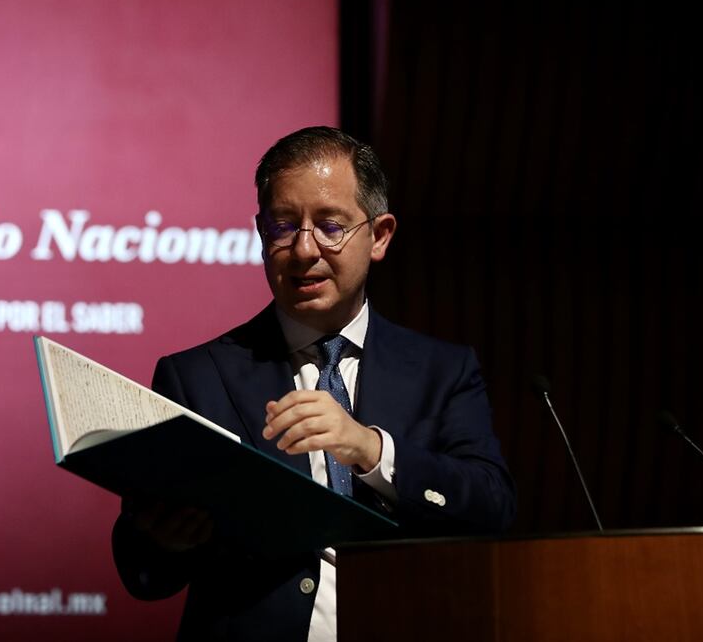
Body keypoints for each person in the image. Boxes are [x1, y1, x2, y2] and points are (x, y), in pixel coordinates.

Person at [112, 126, 515, 641]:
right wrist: (161, 541)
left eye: (330, 225)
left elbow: (492, 509)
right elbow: (143, 574)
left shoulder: (443, 371)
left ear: (381, 235)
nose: (304, 250)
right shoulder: (195, 375)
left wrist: (370, 449)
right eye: (283, 227)